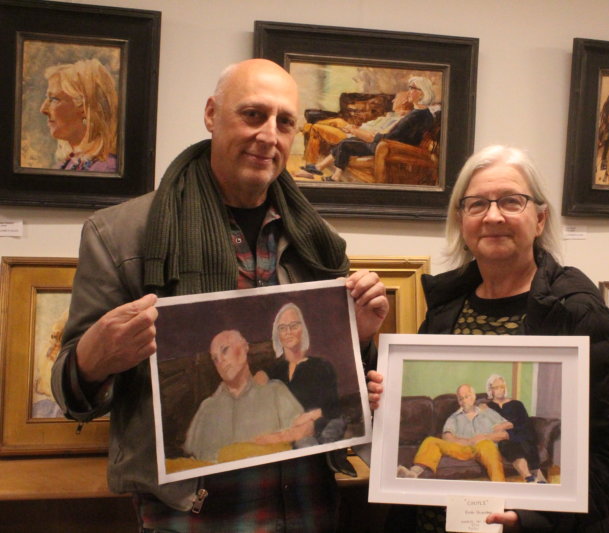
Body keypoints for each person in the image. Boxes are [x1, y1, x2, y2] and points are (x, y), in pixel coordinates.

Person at [51, 58, 388, 533]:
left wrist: (363, 338)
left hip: (307, 506)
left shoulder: (319, 240)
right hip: (192, 514)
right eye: (253, 115)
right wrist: (94, 358)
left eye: (284, 122)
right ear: (212, 114)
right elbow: (70, 393)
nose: (269, 135)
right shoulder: (120, 236)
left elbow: (332, 381)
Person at [368, 145, 609, 532]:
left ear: (539, 218)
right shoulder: (447, 306)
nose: (493, 216)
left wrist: (540, 520)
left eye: (511, 202)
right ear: (461, 219)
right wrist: (380, 395)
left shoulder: (577, 311)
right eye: (477, 204)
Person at [184, 330, 314, 462]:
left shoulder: (275, 392)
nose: (220, 361)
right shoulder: (207, 408)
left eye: (225, 351)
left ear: (244, 347)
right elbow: (191, 458)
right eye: (215, 359)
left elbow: (306, 433)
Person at [304, 76, 437, 183]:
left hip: (391, 146)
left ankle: (331, 174)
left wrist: (361, 133)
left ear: (422, 93)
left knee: (346, 142)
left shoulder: (417, 115)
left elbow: (392, 137)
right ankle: (325, 171)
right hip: (388, 142)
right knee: (348, 140)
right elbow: (394, 132)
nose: (409, 92)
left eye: (412, 88)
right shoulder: (418, 113)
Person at [396, 384, 511, 482]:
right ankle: (412, 474)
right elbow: (447, 438)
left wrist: (484, 437)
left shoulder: (487, 412)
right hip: (462, 448)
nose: (464, 401)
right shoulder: (454, 417)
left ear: (474, 396)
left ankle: (499, 487)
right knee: (431, 441)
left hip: (485, 446)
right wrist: (469, 441)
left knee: (487, 445)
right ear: (458, 401)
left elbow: (505, 433)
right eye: (461, 398)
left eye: (467, 396)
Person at [267, 302, 346, 444]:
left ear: (302, 329)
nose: (288, 332)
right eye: (282, 328)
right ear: (277, 334)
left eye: (294, 326)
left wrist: (311, 416)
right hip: (279, 438)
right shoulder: (272, 371)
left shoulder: (322, 366)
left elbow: (334, 410)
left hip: (314, 437)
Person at [297, 91, 414, 173]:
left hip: (358, 137)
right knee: (336, 120)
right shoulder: (390, 115)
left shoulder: (399, 120)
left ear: (404, 101)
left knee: (316, 128)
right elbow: (371, 127)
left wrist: (354, 130)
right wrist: (356, 127)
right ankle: (305, 128)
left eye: (396, 98)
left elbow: (375, 135)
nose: (393, 100)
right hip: (358, 131)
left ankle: (310, 164)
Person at [39, 58, 118, 172]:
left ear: (85, 108)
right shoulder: (69, 163)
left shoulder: (107, 168)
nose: (43, 109)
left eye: (54, 99)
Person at [485, 374, 546, 484]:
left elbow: (526, 425)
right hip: (503, 440)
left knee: (523, 441)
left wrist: (511, 428)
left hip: (521, 434)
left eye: (502, 386)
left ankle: (534, 476)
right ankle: (530, 478)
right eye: (496, 387)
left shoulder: (517, 404)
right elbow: (488, 427)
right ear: (490, 390)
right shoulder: (488, 407)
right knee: (510, 445)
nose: (500, 390)